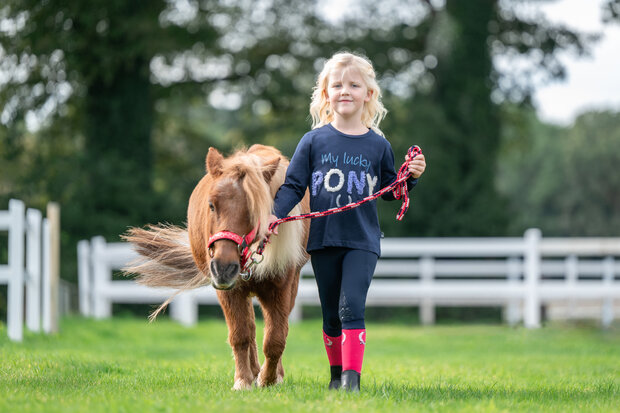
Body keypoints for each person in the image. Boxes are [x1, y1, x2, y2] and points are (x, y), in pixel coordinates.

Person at [268, 51, 426, 392]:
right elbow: (294, 186)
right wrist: (274, 217)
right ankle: (336, 377)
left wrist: (409, 178)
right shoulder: (312, 141)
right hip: (323, 240)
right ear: (325, 93)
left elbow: (388, 190)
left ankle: (352, 382)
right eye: (337, 85)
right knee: (330, 316)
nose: (345, 91)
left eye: (354, 85)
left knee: (350, 305)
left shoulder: (378, 145)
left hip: (362, 241)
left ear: (368, 94)